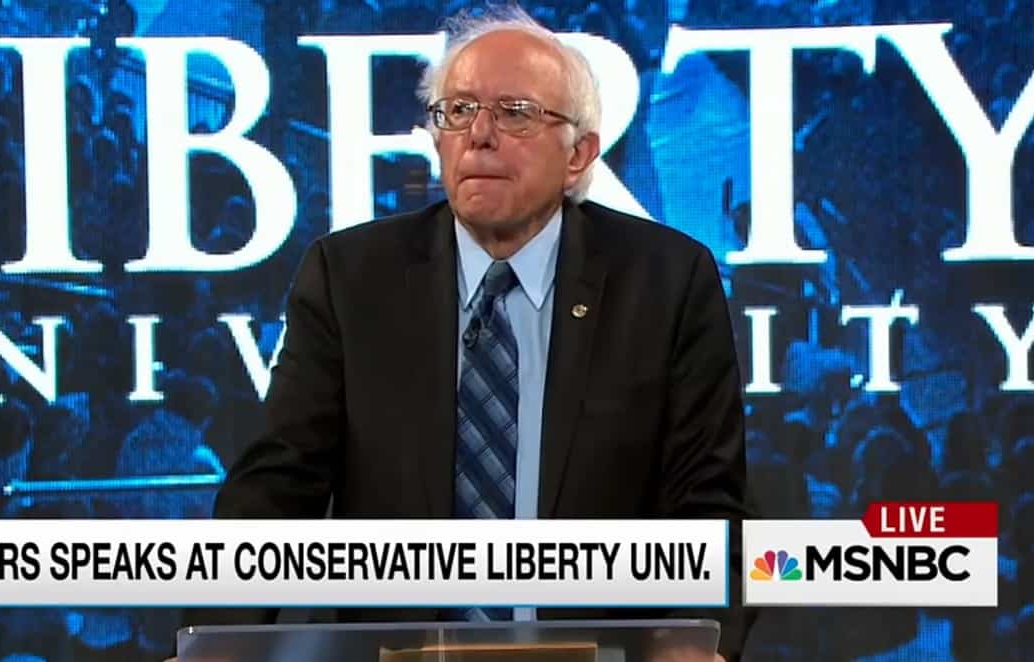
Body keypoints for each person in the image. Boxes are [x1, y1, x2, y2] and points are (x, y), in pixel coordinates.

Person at [196, 6, 755, 661]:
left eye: (515, 112)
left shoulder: (666, 281)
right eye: (456, 112)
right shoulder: (352, 278)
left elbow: (706, 500)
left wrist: (686, 639)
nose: (479, 135)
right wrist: (219, 640)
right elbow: (276, 488)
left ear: (578, 156)